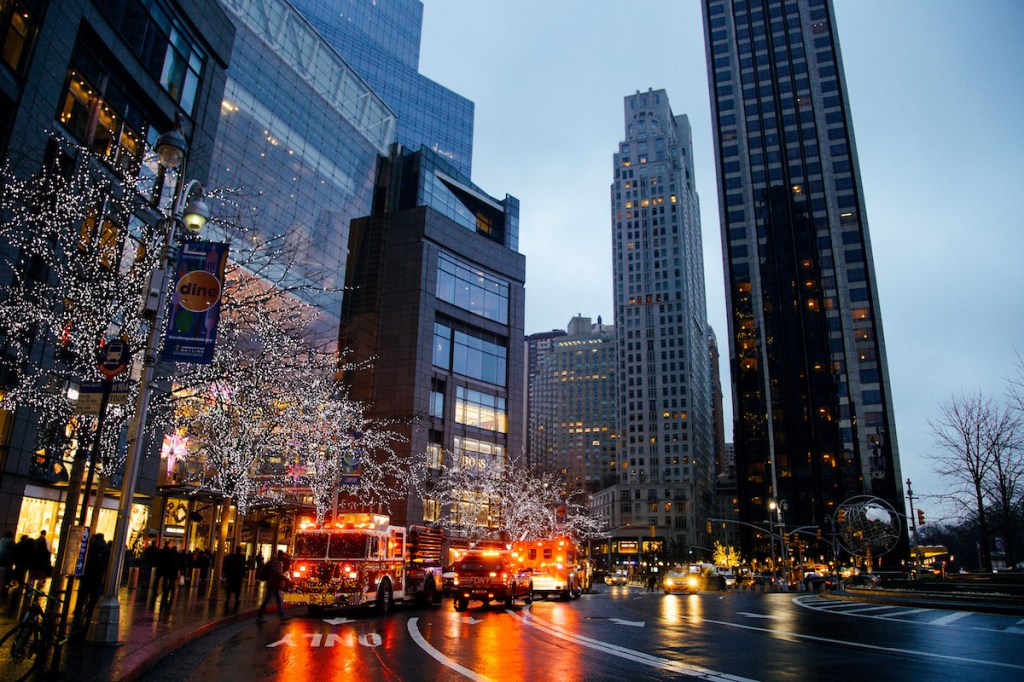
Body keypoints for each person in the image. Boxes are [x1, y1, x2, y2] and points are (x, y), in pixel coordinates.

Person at [73, 533, 109, 629]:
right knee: (94, 594)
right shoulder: (105, 548)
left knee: (83, 593)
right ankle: (90, 611)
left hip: (87, 573)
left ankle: (78, 610)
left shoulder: (90, 546)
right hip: (97, 574)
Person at [256, 550, 288, 622]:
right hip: (273, 584)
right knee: (269, 600)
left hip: (274, 584)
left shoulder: (275, 562)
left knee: (277, 600)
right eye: (282, 556)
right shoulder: (276, 563)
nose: (283, 557)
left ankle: (282, 615)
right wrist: (285, 579)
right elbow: (277, 574)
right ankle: (260, 615)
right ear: (280, 556)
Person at [223, 546, 246, 610]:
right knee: (237, 589)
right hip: (237, 576)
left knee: (229, 589)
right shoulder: (241, 557)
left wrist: (226, 572)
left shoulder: (231, 556)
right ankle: (236, 601)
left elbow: (226, 564)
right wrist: (243, 575)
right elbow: (242, 567)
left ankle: (227, 600)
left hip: (231, 575)